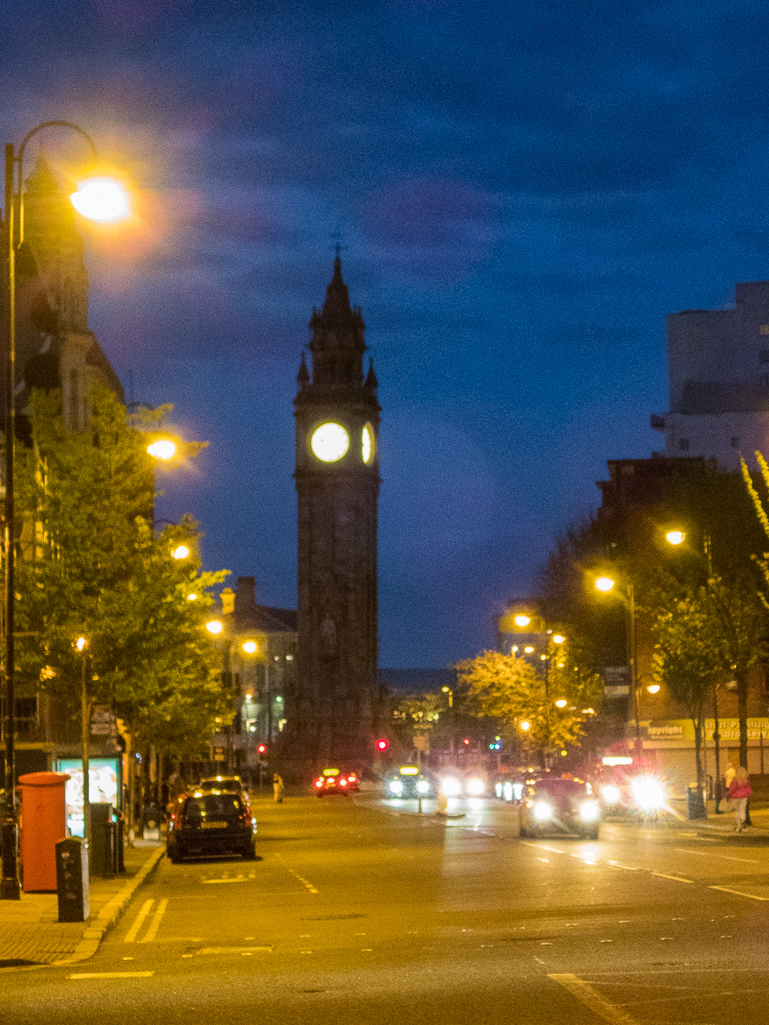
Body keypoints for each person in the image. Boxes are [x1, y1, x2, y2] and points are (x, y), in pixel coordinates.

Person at [727, 765, 753, 832]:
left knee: (737, 811)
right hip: (744, 797)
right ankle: (743, 820)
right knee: (742, 810)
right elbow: (749, 790)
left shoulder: (735, 781)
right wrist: (748, 793)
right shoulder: (745, 781)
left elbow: (732, 789)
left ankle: (739, 826)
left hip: (735, 797)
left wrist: (728, 794)